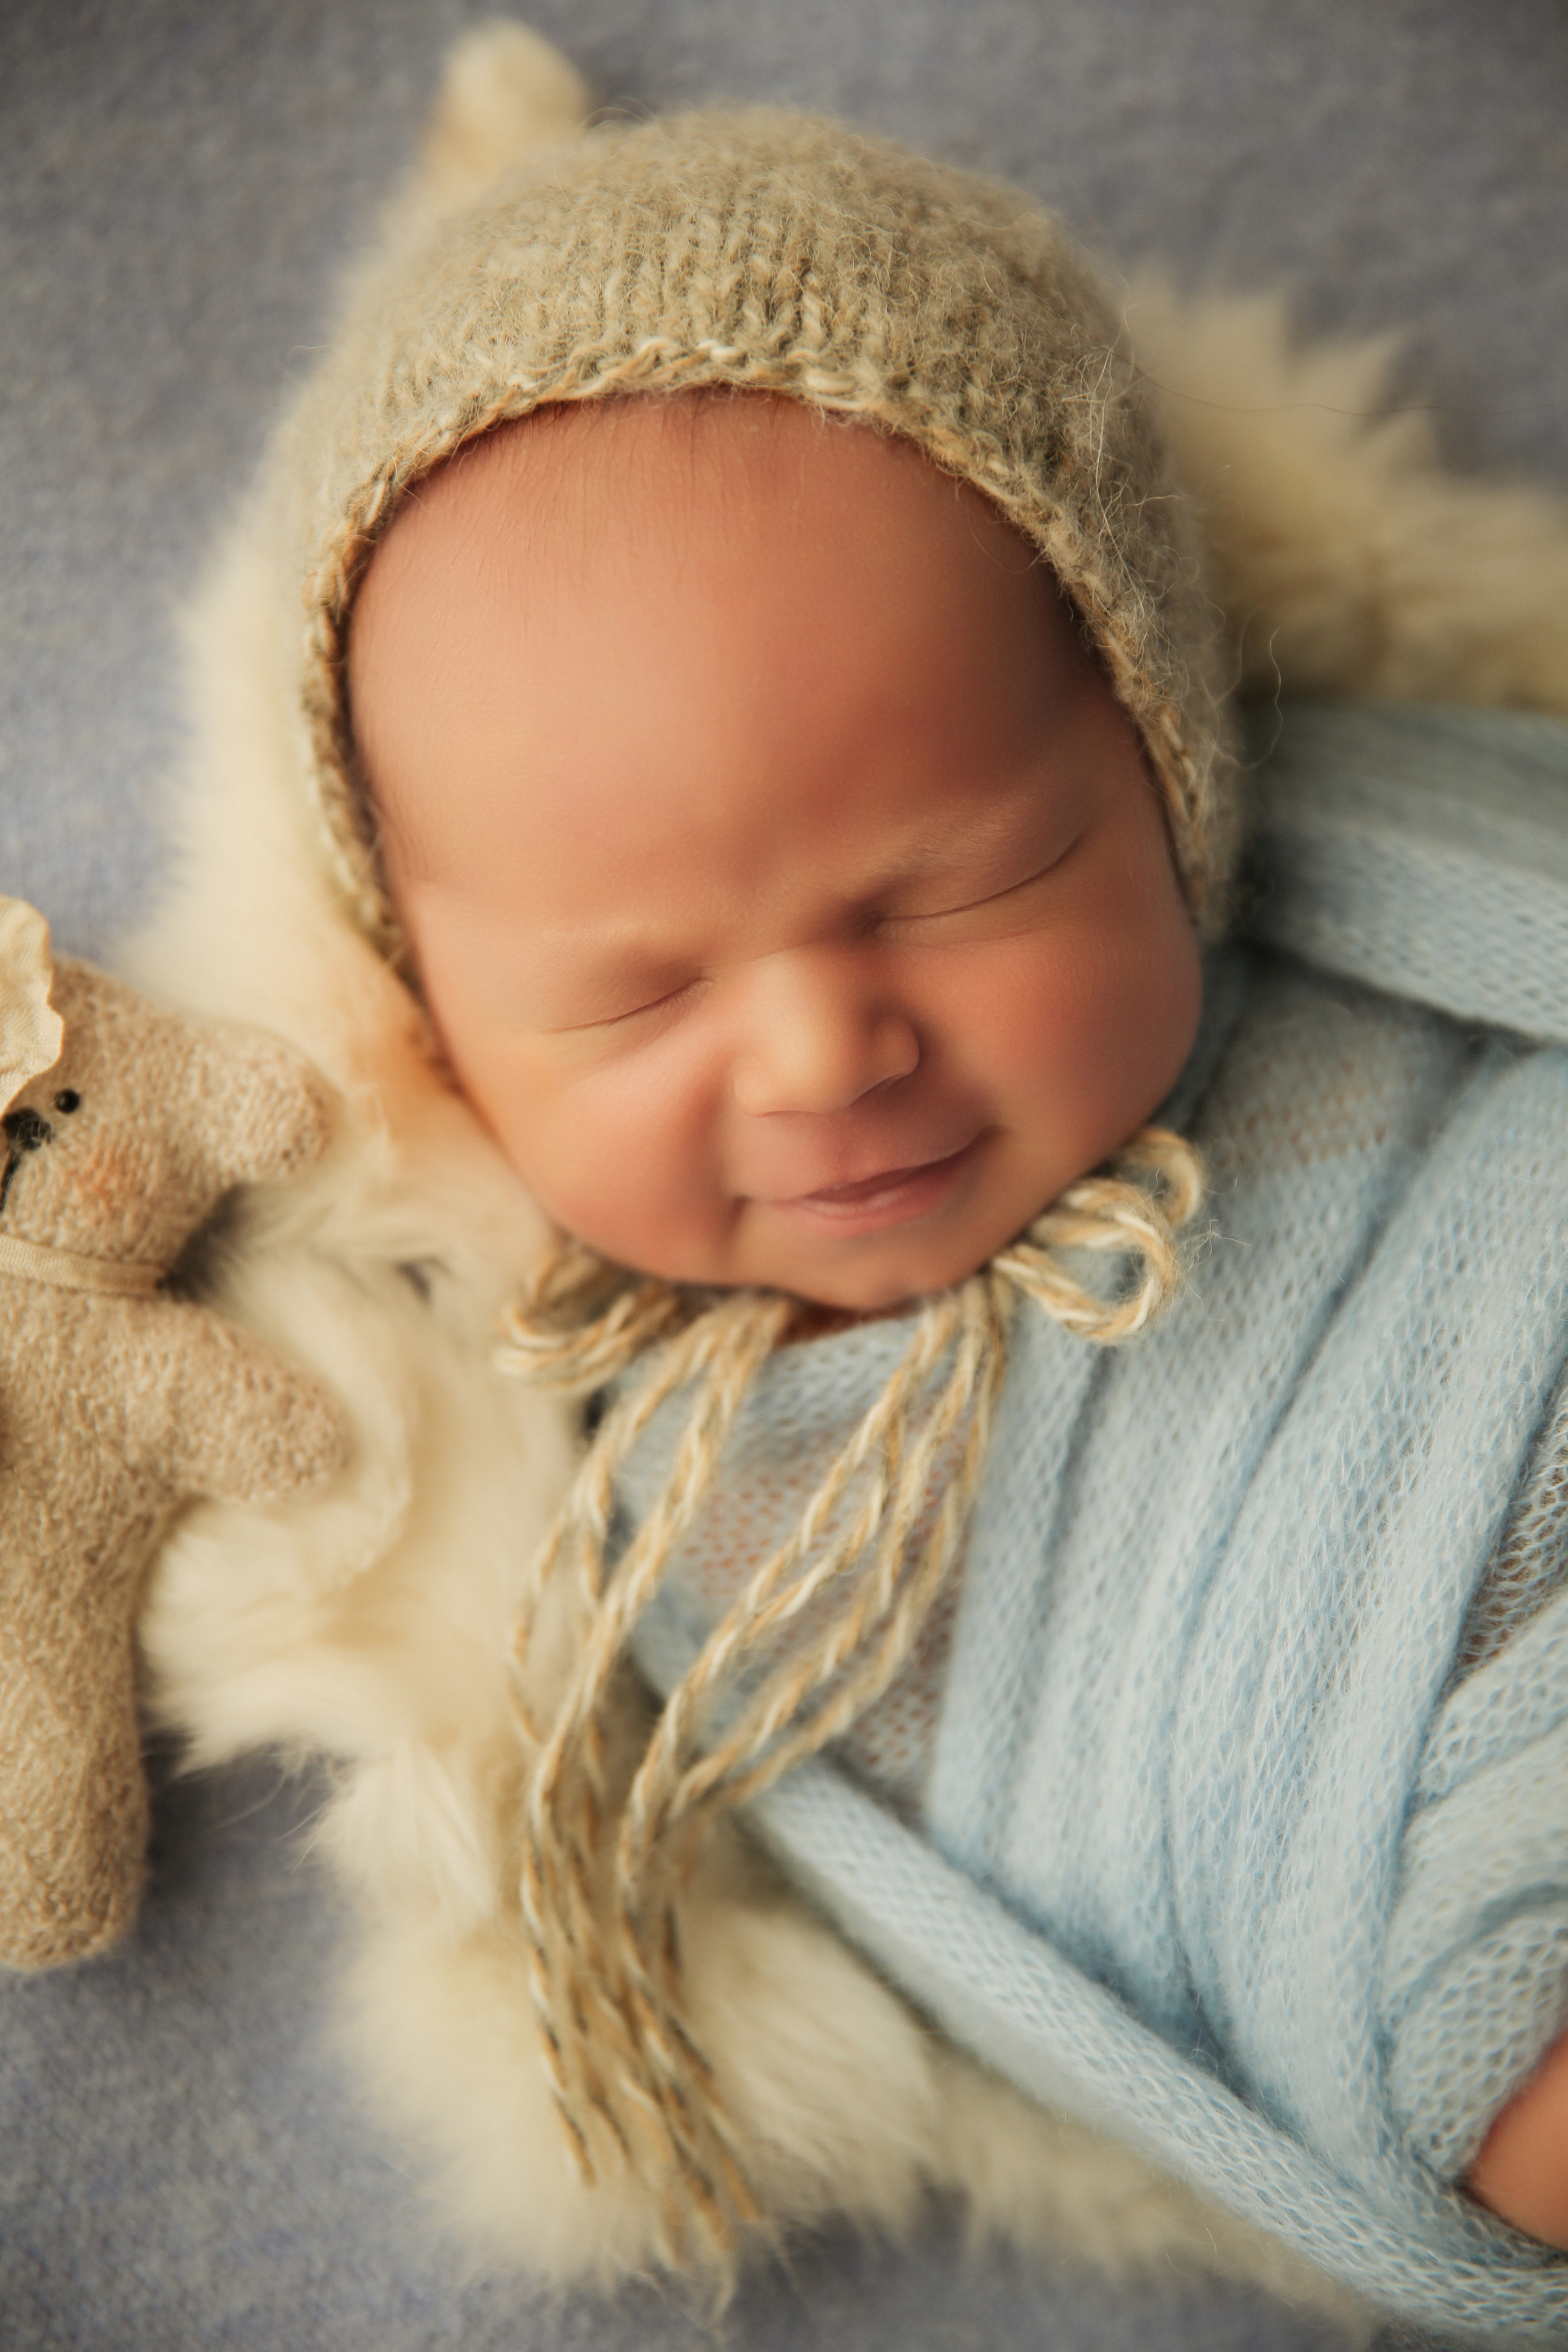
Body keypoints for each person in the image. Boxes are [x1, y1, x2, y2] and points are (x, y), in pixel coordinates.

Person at [129, 24, 1568, 2335]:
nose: (822, 1049)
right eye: (631, 996)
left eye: (963, 882)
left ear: (1168, 760)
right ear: (434, 1024)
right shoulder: (692, 1530)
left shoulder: (1396, 897)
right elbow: (1131, 1876)